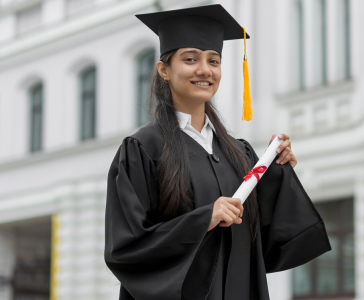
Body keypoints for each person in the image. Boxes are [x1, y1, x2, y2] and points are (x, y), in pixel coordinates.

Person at [103, 4, 331, 300]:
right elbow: (126, 248)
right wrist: (204, 219)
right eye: (190, 59)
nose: (204, 70)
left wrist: (275, 170)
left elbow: (268, 239)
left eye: (214, 60)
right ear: (164, 70)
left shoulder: (240, 153)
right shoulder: (143, 149)